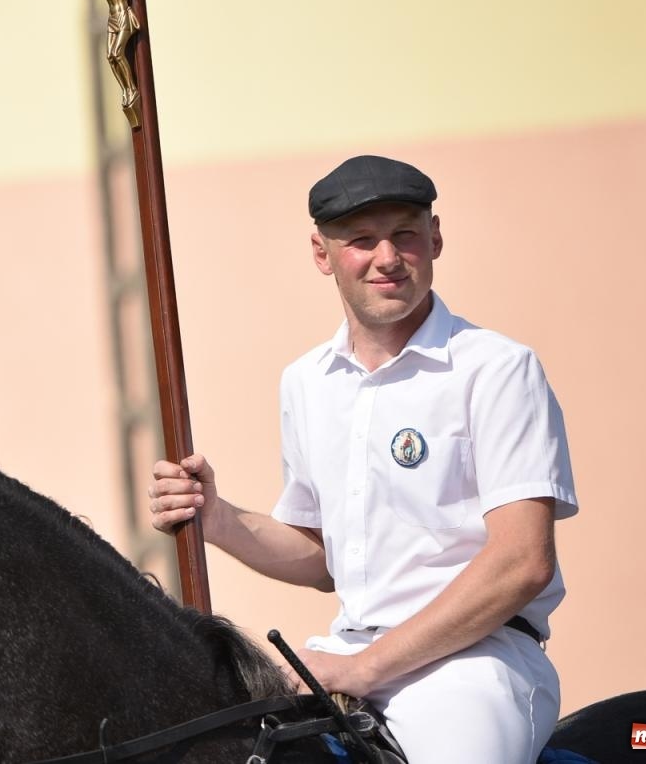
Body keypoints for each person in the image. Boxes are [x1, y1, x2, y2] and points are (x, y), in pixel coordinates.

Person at [149, 154, 577, 763]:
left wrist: (365, 668)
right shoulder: (306, 381)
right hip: (340, 655)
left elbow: (522, 562)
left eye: (405, 233)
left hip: (475, 667)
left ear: (435, 238)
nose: (387, 256)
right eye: (361, 240)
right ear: (322, 254)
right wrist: (217, 518)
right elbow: (325, 557)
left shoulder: (498, 368)